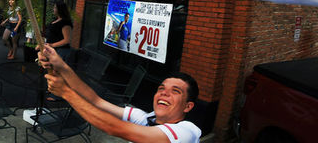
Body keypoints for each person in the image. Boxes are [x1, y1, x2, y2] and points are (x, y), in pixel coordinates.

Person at [38, 45, 201, 143]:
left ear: (188, 106)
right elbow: (96, 101)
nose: (164, 94)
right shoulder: (145, 119)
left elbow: (116, 128)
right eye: (161, 88)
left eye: (175, 91)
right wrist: (61, 66)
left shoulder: (186, 132)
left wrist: (66, 92)